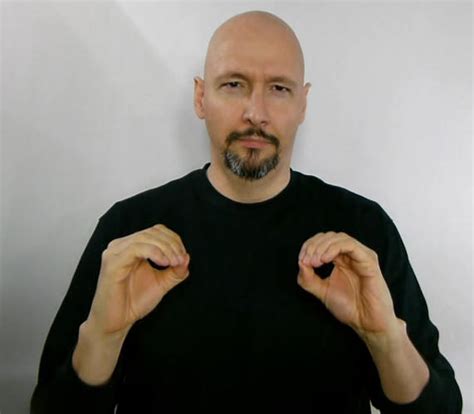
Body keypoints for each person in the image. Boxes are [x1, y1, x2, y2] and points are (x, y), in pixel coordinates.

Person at [30, 10, 462, 414]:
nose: (256, 113)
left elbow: (440, 408)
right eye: (234, 84)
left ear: (303, 104)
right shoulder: (127, 232)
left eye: (279, 89)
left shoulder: (364, 232)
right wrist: (104, 334)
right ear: (201, 97)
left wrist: (384, 337)